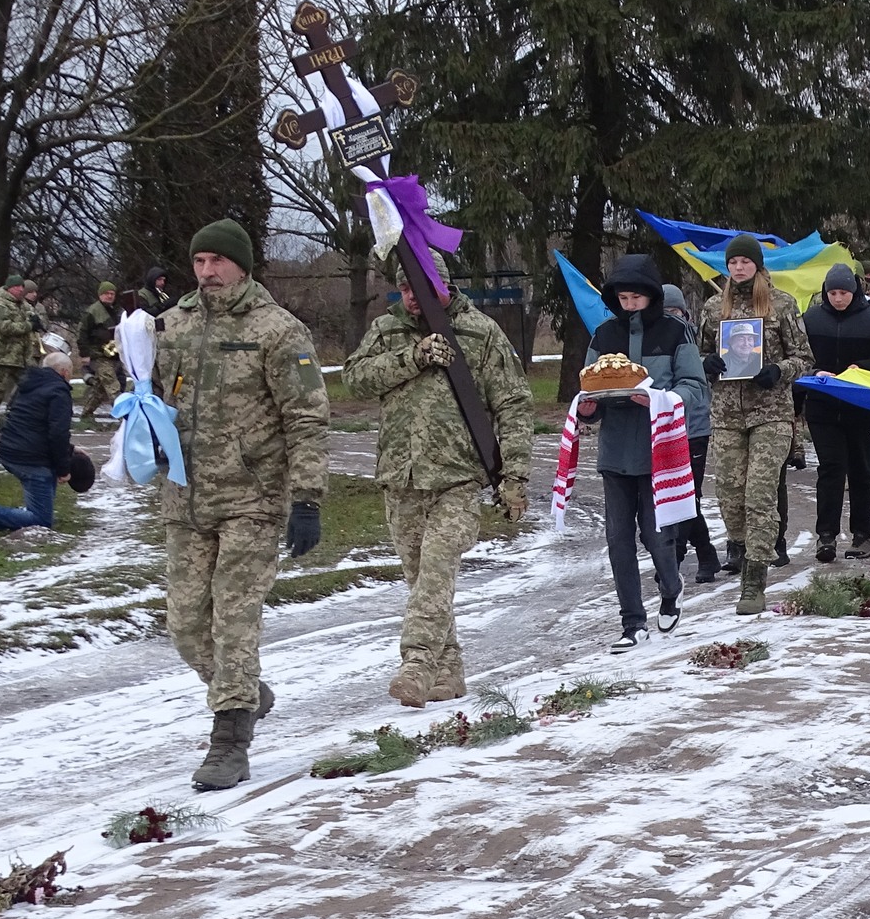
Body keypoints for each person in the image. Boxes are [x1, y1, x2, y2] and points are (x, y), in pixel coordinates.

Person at [156, 220, 332, 791]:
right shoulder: (173, 324)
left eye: (217, 262)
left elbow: (306, 417)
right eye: (199, 262)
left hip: (252, 498)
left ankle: (230, 739)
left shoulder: (278, 330)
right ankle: (247, 693)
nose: (207, 273)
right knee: (184, 625)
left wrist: (306, 497)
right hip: (186, 498)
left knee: (234, 620)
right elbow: (155, 396)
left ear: (242, 265)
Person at [342, 247, 532, 707]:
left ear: (444, 285)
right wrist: (413, 357)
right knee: (422, 579)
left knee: (435, 570)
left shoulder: (480, 332)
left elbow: (514, 404)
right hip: (401, 476)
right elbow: (354, 379)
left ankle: (418, 662)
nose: (411, 297)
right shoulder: (387, 330)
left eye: (421, 287)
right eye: (404, 287)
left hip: (458, 478)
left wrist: (516, 476)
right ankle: (451, 671)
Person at [577, 255, 708, 649]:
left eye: (636, 297)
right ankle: (632, 623)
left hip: (660, 451)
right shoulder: (603, 335)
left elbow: (695, 388)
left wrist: (660, 399)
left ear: (650, 296)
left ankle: (671, 587)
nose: (629, 304)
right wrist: (588, 408)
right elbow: (590, 387)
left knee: (656, 536)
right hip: (615, 452)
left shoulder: (675, 333)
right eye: (623, 297)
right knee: (618, 539)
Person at [697, 234, 810, 614]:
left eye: (745, 261)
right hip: (727, 414)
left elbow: (804, 357)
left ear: (758, 265)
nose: (739, 267)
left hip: (771, 413)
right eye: (733, 262)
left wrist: (779, 370)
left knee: (759, 493)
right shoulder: (714, 308)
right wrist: (705, 364)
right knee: (729, 494)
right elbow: (699, 354)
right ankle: (741, 547)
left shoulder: (781, 305)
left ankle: (755, 578)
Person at [801, 263, 870, 562]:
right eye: (832, 292)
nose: (838, 298)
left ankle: (863, 535)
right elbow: (797, 357)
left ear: (854, 291)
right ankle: (826, 537)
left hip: (862, 408)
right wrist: (815, 371)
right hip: (822, 408)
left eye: (843, 292)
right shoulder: (810, 320)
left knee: (861, 470)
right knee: (831, 470)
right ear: (825, 293)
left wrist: (863, 369)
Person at [0, 352, 87, 536]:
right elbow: (57, 434)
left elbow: (34, 427)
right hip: (28, 457)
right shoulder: (58, 392)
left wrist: (69, 450)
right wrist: (63, 470)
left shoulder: (28, 385)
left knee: (42, 496)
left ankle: (30, 508)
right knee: (41, 520)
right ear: (64, 372)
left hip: (10, 449)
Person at [663, 283, 721, 583]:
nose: (670, 318)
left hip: (695, 427)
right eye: (664, 312)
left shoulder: (696, 337)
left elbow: (694, 373)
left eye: (674, 311)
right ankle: (706, 552)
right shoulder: (654, 339)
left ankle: (674, 555)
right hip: (662, 428)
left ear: (685, 313)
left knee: (689, 494)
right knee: (671, 495)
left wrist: (707, 363)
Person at [0, 274, 42, 419]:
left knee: (29, 386)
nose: (19, 290)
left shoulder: (23, 304)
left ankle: (25, 415)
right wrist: (29, 325)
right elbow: (4, 327)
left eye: (21, 287)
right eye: (16, 287)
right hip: (2, 355)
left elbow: (31, 317)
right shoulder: (0, 304)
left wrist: (35, 321)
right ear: (9, 288)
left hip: (21, 356)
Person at [77, 282, 122, 423]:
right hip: (98, 355)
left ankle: (86, 415)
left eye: (112, 294)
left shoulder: (113, 311)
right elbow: (82, 333)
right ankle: (125, 418)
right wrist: (85, 354)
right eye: (106, 293)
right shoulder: (92, 312)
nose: (109, 296)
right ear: (100, 294)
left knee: (101, 388)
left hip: (112, 354)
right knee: (113, 386)